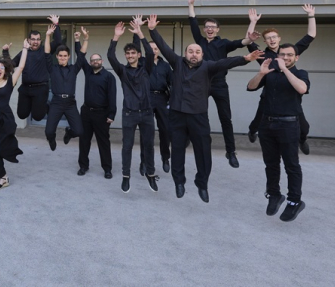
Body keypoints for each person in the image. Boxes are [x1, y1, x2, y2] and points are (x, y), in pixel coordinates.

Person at [148, 14, 263, 203]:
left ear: (202, 55)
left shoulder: (208, 67)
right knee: (177, 150)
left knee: (203, 152)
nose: (193, 54)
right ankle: (179, 182)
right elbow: (163, 47)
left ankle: (202, 183)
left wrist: (247, 58)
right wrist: (152, 29)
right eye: (190, 51)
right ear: (185, 54)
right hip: (177, 115)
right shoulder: (177, 63)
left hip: (198, 117)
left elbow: (226, 62)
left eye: (197, 52)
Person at [188, 0, 257, 168]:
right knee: (195, 115)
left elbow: (241, 43)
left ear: (217, 29)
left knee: (226, 118)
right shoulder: (199, 41)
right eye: (207, 26)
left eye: (213, 26)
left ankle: (231, 151)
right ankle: (193, 140)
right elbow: (192, 23)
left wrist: (251, 30)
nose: (209, 29)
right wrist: (191, 5)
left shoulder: (223, 43)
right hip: (201, 84)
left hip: (219, 85)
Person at [246, 45, 309, 222]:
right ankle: (274, 195)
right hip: (267, 124)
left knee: (291, 165)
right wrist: (261, 73)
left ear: (296, 58)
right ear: (277, 55)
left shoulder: (301, 73)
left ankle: (295, 201)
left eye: (290, 55)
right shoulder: (270, 73)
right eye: (282, 54)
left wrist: (283, 69)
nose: (285, 57)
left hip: (289, 125)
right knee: (271, 163)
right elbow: (251, 87)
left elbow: (302, 89)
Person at [246, 5, 316, 155]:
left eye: (274, 37)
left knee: (304, 127)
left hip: (288, 97)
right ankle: (252, 132)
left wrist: (311, 15)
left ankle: (302, 139)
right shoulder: (262, 54)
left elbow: (310, 35)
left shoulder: (290, 51)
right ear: (265, 41)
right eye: (268, 38)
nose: (271, 39)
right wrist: (252, 22)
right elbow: (249, 40)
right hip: (269, 95)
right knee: (258, 121)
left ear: (279, 38)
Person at [107, 17, 158, 193]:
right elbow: (110, 56)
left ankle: (151, 174)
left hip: (146, 113)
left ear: (138, 55)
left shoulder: (147, 69)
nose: (130, 56)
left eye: (133, 53)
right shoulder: (122, 71)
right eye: (127, 54)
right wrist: (116, 37)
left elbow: (151, 53)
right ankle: (126, 177)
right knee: (127, 146)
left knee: (149, 145)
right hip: (129, 114)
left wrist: (140, 33)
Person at [0, 32, 29, 188]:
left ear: (5, 70)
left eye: (2, 67)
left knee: (0, 146)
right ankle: (2, 177)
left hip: (5, 118)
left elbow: (21, 66)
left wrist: (25, 49)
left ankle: (10, 151)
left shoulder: (10, 81)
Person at [2, 15, 62, 121]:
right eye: (33, 39)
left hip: (40, 88)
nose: (35, 42)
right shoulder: (24, 53)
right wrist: (5, 52)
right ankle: (35, 105)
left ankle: (46, 106)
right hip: (25, 88)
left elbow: (57, 42)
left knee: (38, 117)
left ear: (40, 40)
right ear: (28, 40)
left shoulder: (45, 51)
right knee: (22, 115)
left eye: (38, 39)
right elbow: (11, 65)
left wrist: (56, 24)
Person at [77, 34, 117, 179]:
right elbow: (80, 57)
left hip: (102, 114)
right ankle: (83, 166)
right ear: (90, 62)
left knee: (104, 142)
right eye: (92, 60)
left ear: (102, 61)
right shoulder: (88, 72)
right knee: (84, 141)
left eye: (97, 59)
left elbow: (112, 96)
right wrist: (78, 40)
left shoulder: (108, 77)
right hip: (87, 113)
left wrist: (111, 114)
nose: (95, 62)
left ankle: (107, 168)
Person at [132, 34, 173, 174]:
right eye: (151, 48)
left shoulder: (165, 66)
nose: (154, 51)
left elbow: (172, 82)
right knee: (146, 133)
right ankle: (144, 161)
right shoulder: (141, 62)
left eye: (156, 48)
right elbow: (135, 46)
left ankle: (165, 158)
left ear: (159, 50)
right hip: (146, 98)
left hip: (162, 98)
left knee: (165, 130)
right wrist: (137, 32)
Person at [43, 24, 86, 152]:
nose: (62, 58)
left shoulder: (74, 69)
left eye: (65, 56)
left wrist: (84, 39)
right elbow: (46, 53)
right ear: (57, 56)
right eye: (60, 55)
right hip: (56, 102)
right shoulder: (52, 69)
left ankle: (69, 132)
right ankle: (52, 139)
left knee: (79, 131)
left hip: (70, 103)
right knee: (49, 132)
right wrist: (47, 35)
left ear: (68, 57)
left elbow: (82, 55)